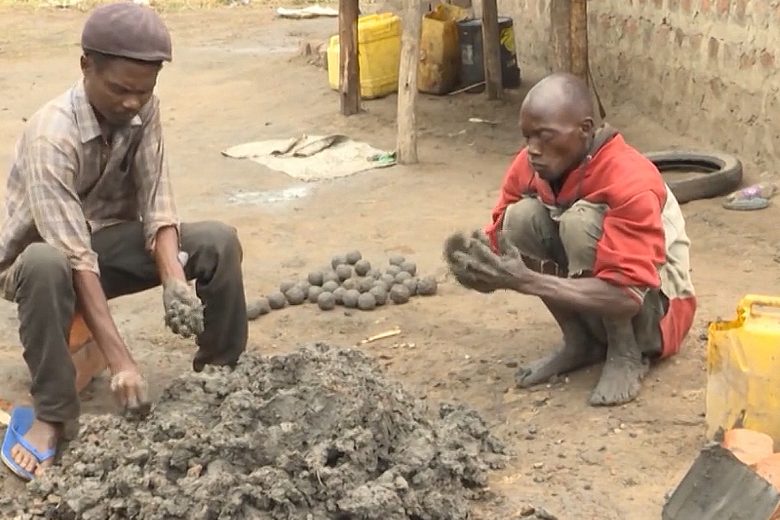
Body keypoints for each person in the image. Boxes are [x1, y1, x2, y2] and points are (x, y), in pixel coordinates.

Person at [0, 2, 248, 480]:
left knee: (217, 241)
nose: (132, 102)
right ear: (85, 66)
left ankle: (221, 378)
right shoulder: (51, 136)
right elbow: (75, 256)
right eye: (120, 90)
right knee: (49, 262)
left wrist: (174, 279)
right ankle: (53, 413)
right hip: (39, 264)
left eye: (144, 90)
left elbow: (157, 201)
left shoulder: (142, 106)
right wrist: (122, 362)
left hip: (107, 246)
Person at [445, 72, 696, 406]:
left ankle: (625, 353)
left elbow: (626, 296)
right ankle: (580, 342)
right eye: (527, 137)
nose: (533, 150)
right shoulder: (530, 165)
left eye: (545, 137)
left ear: (585, 129)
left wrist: (527, 280)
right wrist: (481, 270)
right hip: (598, 296)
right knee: (518, 220)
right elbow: (501, 246)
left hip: (656, 313)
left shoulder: (630, 179)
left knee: (580, 222)